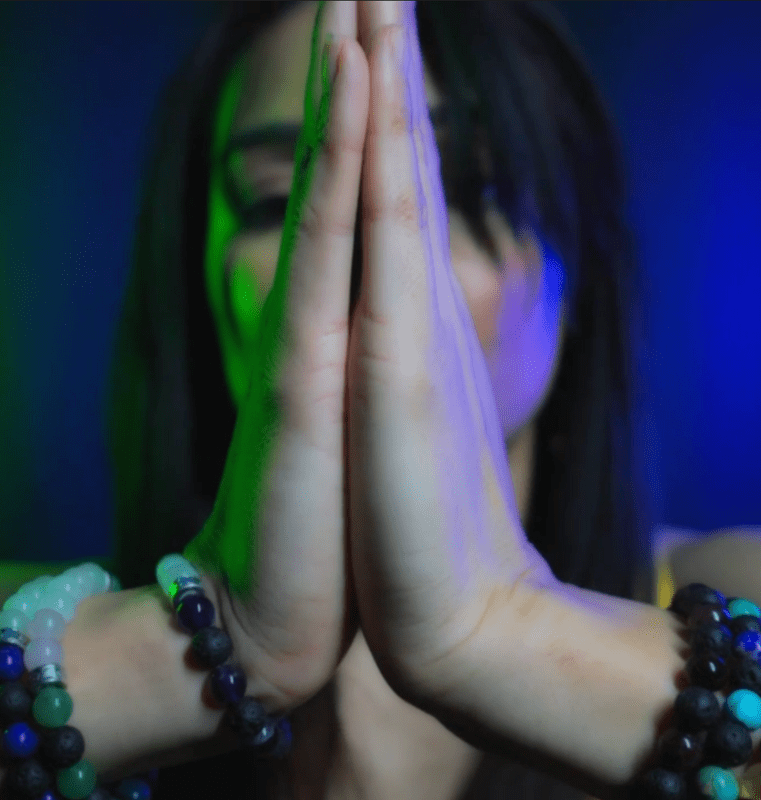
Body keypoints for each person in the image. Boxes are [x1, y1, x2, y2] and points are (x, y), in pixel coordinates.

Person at [98, 0, 671, 798]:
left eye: (460, 189)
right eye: (280, 199)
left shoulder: (721, 593)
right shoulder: (30, 626)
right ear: (197, 284)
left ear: (574, 273)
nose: (372, 247)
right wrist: (207, 639)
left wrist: (506, 627)